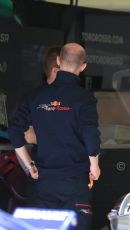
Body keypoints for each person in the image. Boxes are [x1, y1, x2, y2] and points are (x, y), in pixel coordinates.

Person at [8, 43, 101, 230]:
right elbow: (90, 134)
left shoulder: (36, 96)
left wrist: (29, 166)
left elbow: (14, 131)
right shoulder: (85, 98)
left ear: (59, 61)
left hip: (44, 183)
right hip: (75, 183)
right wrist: (95, 166)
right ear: (83, 67)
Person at [24, 46, 61, 144]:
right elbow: (28, 135)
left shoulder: (74, 96)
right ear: (55, 71)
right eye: (67, 71)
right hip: (44, 157)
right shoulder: (35, 98)